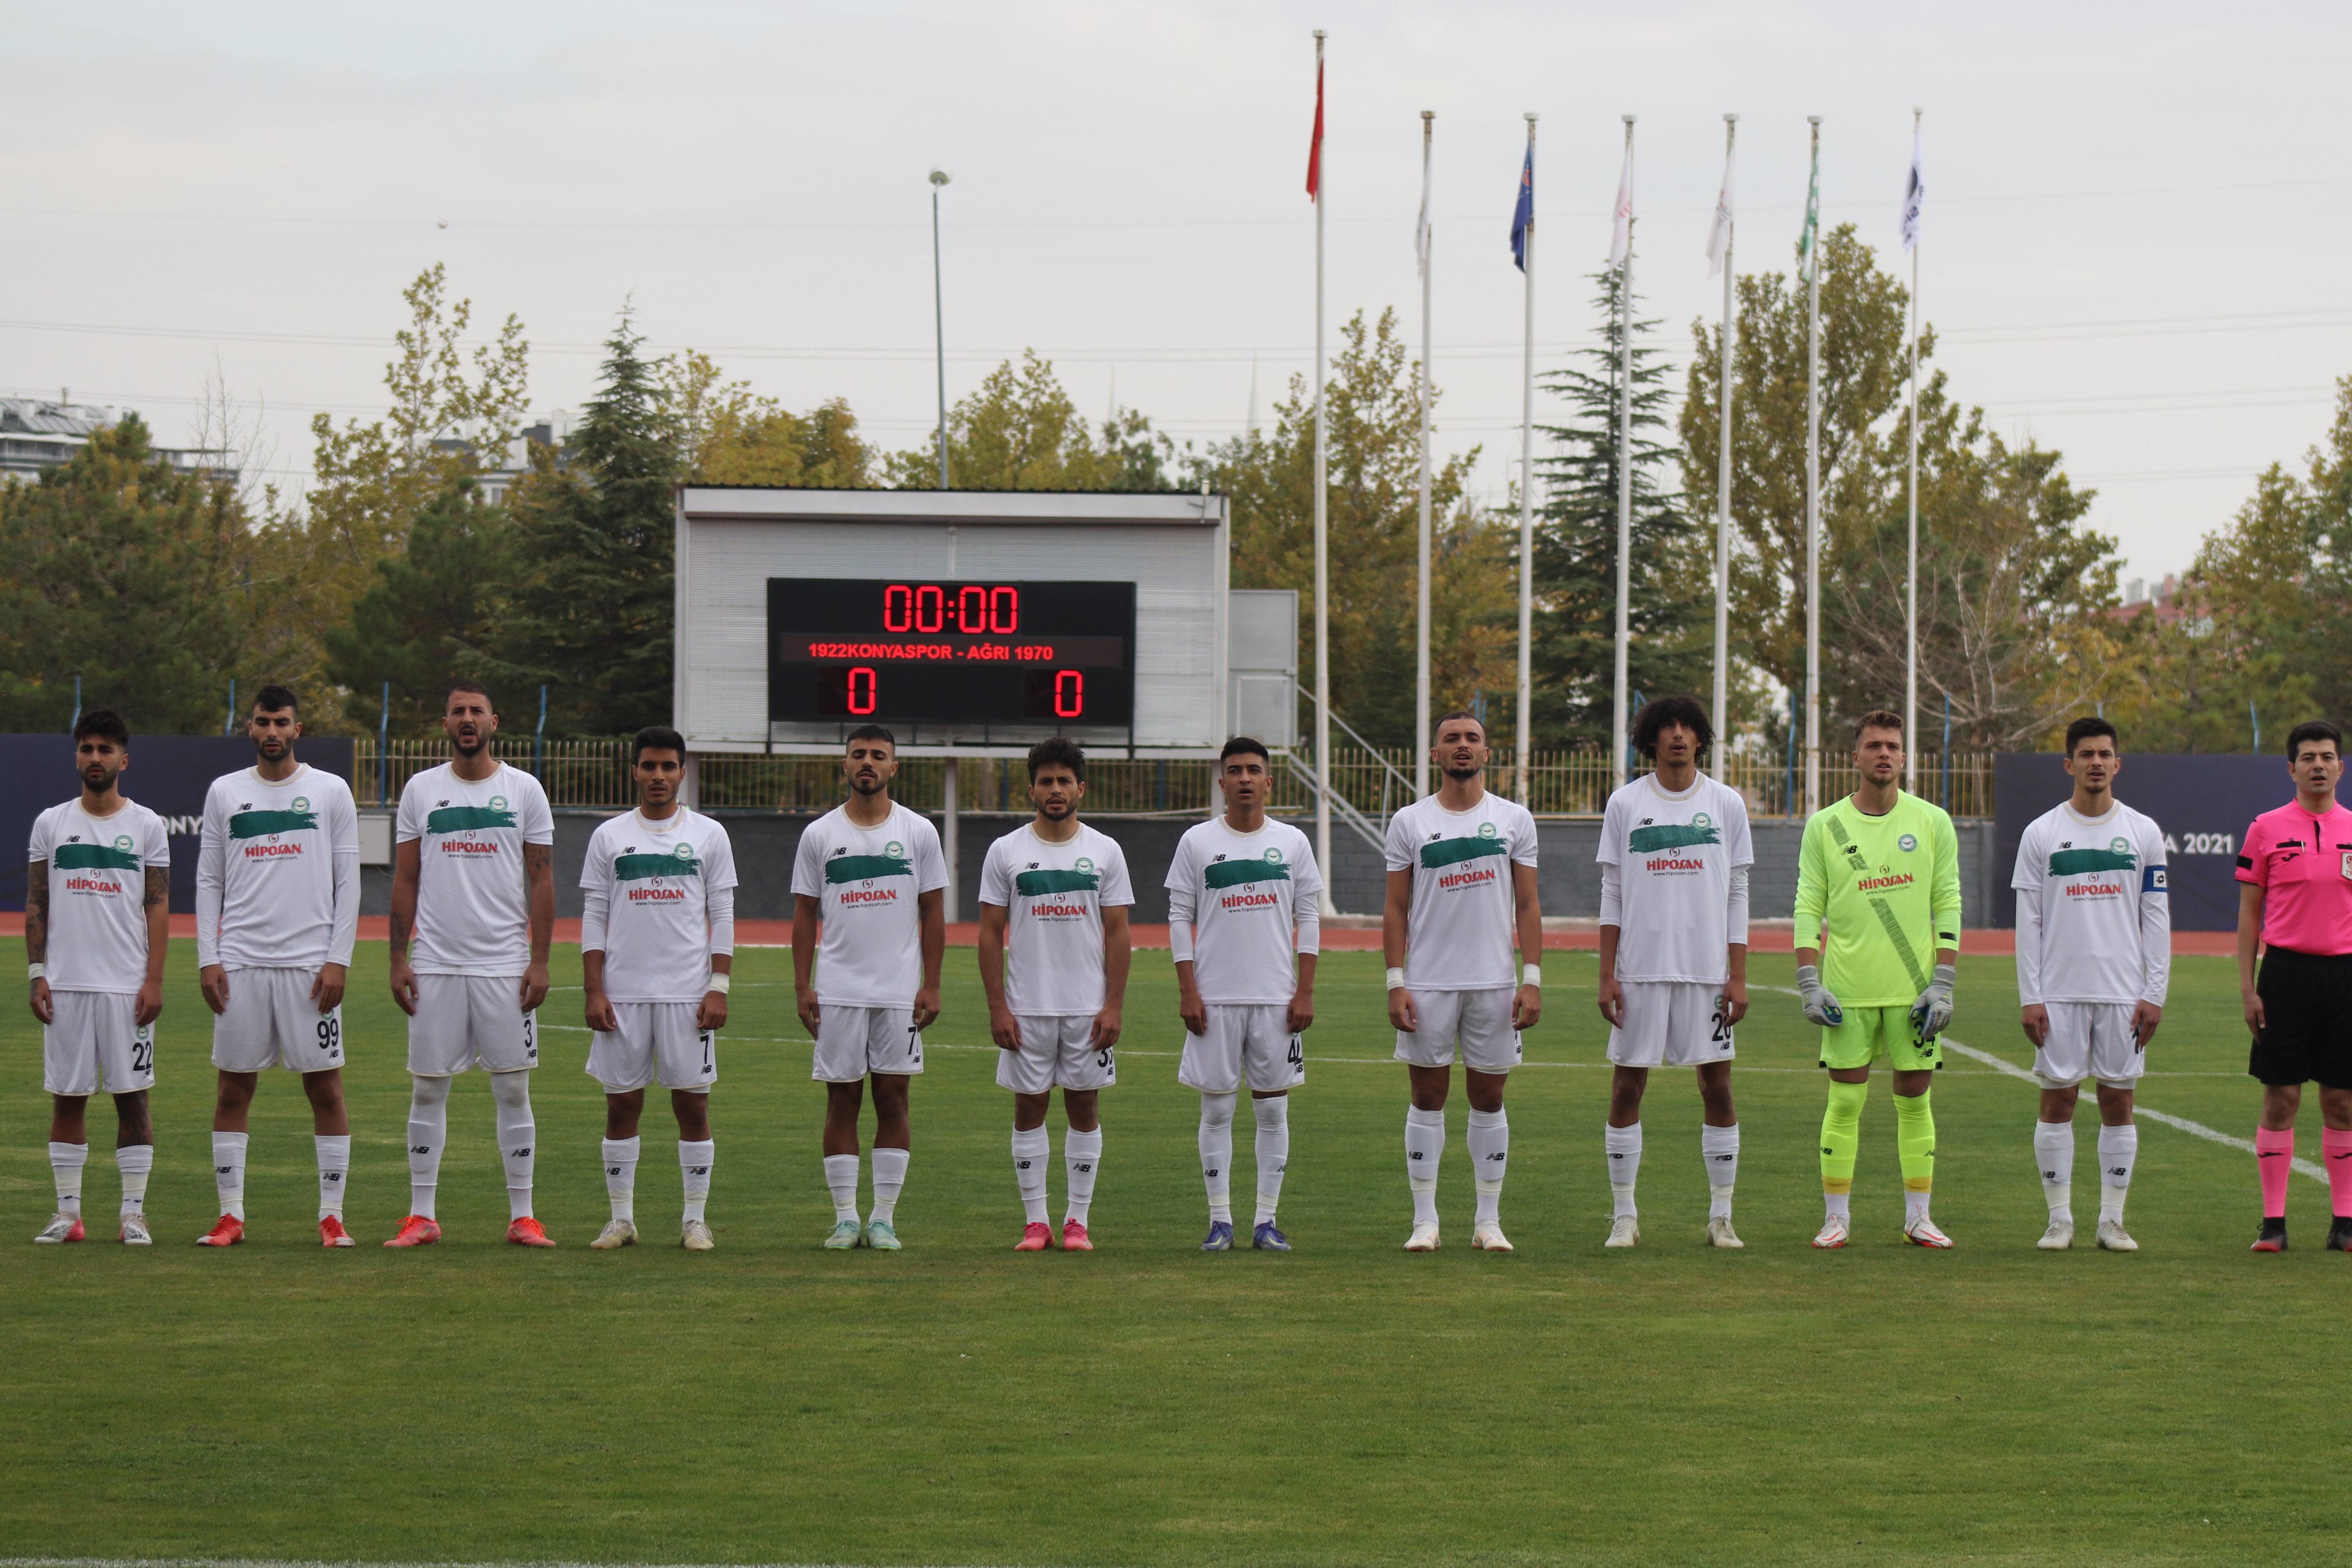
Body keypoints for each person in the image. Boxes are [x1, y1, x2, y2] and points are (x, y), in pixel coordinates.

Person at [384, 682, 556, 1248]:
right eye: (457, 711)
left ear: (493, 722)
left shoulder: (525, 790)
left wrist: (540, 960)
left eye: (475, 711)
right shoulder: (420, 789)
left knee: (512, 1090)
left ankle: (523, 1216)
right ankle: (421, 1215)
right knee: (428, 1090)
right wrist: (396, 956)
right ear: (445, 724)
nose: (466, 719)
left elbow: (542, 877)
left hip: (505, 963)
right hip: (435, 961)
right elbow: (405, 878)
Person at [194, 687, 362, 1248]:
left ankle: (332, 1216)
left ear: (298, 729)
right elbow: (209, 879)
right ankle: (231, 1215)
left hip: (309, 966)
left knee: (326, 1092)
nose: (272, 731)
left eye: (281, 722)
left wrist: (338, 958)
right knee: (233, 1091)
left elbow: (348, 882)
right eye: (263, 721)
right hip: (241, 962)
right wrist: (208, 956)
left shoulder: (329, 791)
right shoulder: (224, 792)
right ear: (250, 728)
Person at [1794, 709, 1963, 1249]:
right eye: (1874, 745)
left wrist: (1944, 981)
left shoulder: (1932, 820)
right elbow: (1806, 906)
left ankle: (1919, 1217)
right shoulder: (1825, 825)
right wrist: (1807, 979)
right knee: (1844, 1104)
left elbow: (1948, 900)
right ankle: (1835, 1219)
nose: (1884, 753)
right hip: (1848, 993)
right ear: (1856, 757)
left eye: (1893, 744)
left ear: (1906, 757)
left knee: (1916, 1102)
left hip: (1914, 992)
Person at [1593, 695, 1752, 1250]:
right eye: (1668, 728)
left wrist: (1737, 975)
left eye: (1688, 727)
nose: (1678, 736)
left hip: (1707, 973)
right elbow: (1612, 892)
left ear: (1701, 738)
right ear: (1651, 739)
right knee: (1626, 1089)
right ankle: (1624, 1216)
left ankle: (1721, 1216)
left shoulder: (1727, 803)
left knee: (1718, 1086)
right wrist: (1607, 974)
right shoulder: (1626, 803)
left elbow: (1737, 892)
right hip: (1638, 972)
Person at [1382, 710, 1541, 1253]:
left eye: (1472, 738)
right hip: (1427, 982)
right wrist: (1395, 981)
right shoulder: (1409, 821)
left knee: (1488, 1096)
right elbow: (1395, 907)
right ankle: (1425, 1220)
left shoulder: (1515, 819)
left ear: (1487, 753)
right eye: (1451, 738)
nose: (1463, 746)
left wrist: (1533, 978)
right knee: (1427, 1096)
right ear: (1435, 754)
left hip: (1494, 983)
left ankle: (1488, 1220)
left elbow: (1528, 904)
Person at [2011, 716, 2168, 1253]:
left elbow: (2157, 919)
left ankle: (2111, 1220)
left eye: (2105, 754)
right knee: (2057, 1100)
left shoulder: (2144, 832)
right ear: (2069, 764)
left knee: (2117, 1102)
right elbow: (2028, 922)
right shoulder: (2042, 833)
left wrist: (2155, 993)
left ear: (2117, 763)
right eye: (2086, 754)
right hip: (2058, 991)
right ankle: (2059, 1220)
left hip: (2124, 993)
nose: (2096, 762)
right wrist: (2030, 995)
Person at [580, 726, 737, 1252]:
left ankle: (695, 1219)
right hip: (622, 995)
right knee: (621, 1106)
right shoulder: (608, 836)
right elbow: (595, 914)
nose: (658, 776)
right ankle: (621, 1219)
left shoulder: (710, 834)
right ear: (634, 771)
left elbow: (723, 913)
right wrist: (593, 989)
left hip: (688, 995)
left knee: (692, 1107)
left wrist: (718, 986)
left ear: (682, 772)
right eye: (649, 766)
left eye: (668, 766)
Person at [791, 725, 947, 1252]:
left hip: (899, 992)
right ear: (844, 764)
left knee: (893, 1098)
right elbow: (804, 914)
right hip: (837, 989)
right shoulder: (819, 835)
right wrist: (801, 985)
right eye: (858, 754)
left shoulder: (920, 831)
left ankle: (883, 1218)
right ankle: (843, 1218)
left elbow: (933, 911)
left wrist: (932, 983)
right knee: (841, 1099)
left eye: (879, 755)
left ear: (893, 768)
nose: (868, 762)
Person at [977, 737, 1133, 1252]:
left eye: (1065, 780)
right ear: (1031, 789)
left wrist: (1113, 1004)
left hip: (1088, 1008)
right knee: (1029, 1108)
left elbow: (1118, 933)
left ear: (1081, 789)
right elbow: (988, 933)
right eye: (1046, 780)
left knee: (1085, 1107)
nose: (1056, 789)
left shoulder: (1105, 850)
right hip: (1027, 1007)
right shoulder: (1006, 851)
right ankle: (1036, 1222)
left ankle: (1078, 1221)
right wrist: (998, 1006)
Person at [1166, 736, 1321, 1252]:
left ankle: (1266, 1221)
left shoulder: (1294, 842)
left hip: (1276, 999)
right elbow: (1179, 917)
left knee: (1273, 1112)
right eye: (1235, 770)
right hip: (1214, 998)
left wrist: (1305, 990)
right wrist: (1189, 990)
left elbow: (1309, 918)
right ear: (1222, 782)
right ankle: (1220, 1221)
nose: (1246, 778)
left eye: (1255, 769)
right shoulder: (1197, 841)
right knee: (1215, 1112)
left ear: (1269, 781)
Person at [28, 710, 169, 1245]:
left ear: (123, 760)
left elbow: (157, 908)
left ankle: (133, 1213)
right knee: (68, 1096)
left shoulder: (147, 825)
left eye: (105, 750)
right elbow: (37, 900)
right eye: (86, 748)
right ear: (77, 756)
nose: (95, 758)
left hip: (126, 987)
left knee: (132, 1098)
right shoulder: (51, 823)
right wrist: (38, 974)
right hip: (66, 984)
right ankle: (68, 1214)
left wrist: (154, 980)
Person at [2237, 719, 2352, 1253]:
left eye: (2327, 756)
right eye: (2308, 757)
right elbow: (2249, 914)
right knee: (2281, 1097)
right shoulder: (2265, 827)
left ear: (2340, 766)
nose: (2319, 765)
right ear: (2291, 768)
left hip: (2344, 977)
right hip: (2283, 974)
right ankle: (2274, 1225)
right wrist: (2248, 986)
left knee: (2342, 1100)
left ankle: (2345, 1223)